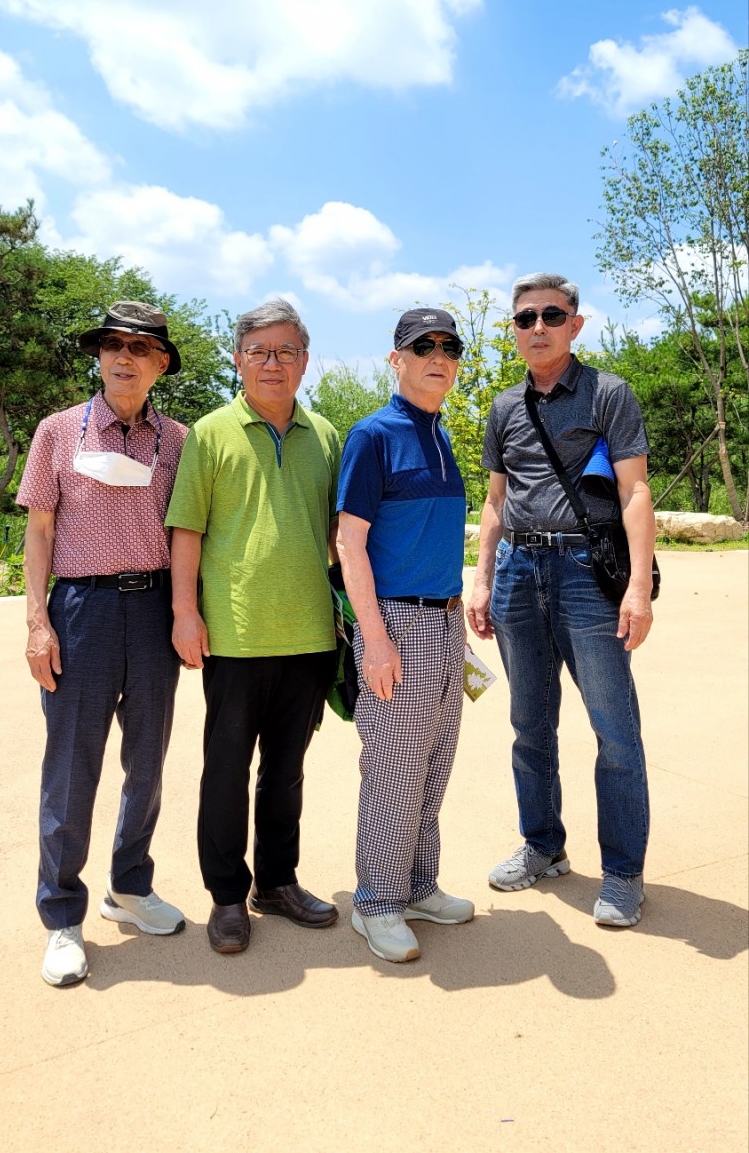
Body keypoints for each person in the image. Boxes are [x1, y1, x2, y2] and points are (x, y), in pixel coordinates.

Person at [467, 272, 655, 927]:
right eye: (525, 318)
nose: (537, 327)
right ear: (514, 329)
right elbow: (495, 499)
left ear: (576, 324)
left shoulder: (609, 393)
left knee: (614, 729)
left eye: (552, 315)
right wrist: (484, 576)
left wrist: (637, 586)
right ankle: (544, 846)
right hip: (519, 568)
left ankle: (625, 872)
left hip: (585, 571)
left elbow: (634, 492)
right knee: (529, 725)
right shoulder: (501, 408)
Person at [17, 301, 189, 987]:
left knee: (146, 759)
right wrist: (37, 619)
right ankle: (62, 915)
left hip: (151, 608)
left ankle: (130, 886)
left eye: (141, 348)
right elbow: (38, 529)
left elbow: (186, 535)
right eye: (113, 344)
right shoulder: (59, 431)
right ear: (98, 354)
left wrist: (185, 613)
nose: (125, 357)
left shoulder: (176, 440)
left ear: (161, 364)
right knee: (70, 765)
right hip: (81, 608)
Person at [167, 299, 341, 956]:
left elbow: (336, 537)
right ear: (238, 359)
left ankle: (278, 882)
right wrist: (186, 611)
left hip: (310, 635)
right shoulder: (209, 434)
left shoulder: (325, 435)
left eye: (286, 351)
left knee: (286, 770)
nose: (273, 362)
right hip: (234, 635)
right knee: (226, 768)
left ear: (304, 360)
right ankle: (225, 897)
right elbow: (186, 530)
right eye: (260, 351)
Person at [336, 308, 474, 964]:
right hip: (397, 622)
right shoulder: (374, 435)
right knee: (393, 768)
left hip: (444, 622)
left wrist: (458, 630)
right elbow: (349, 542)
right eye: (424, 345)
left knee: (435, 761)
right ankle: (377, 903)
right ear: (397, 358)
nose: (438, 355)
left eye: (449, 345)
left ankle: (419, 885)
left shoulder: (441, 434)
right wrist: (377, 639)